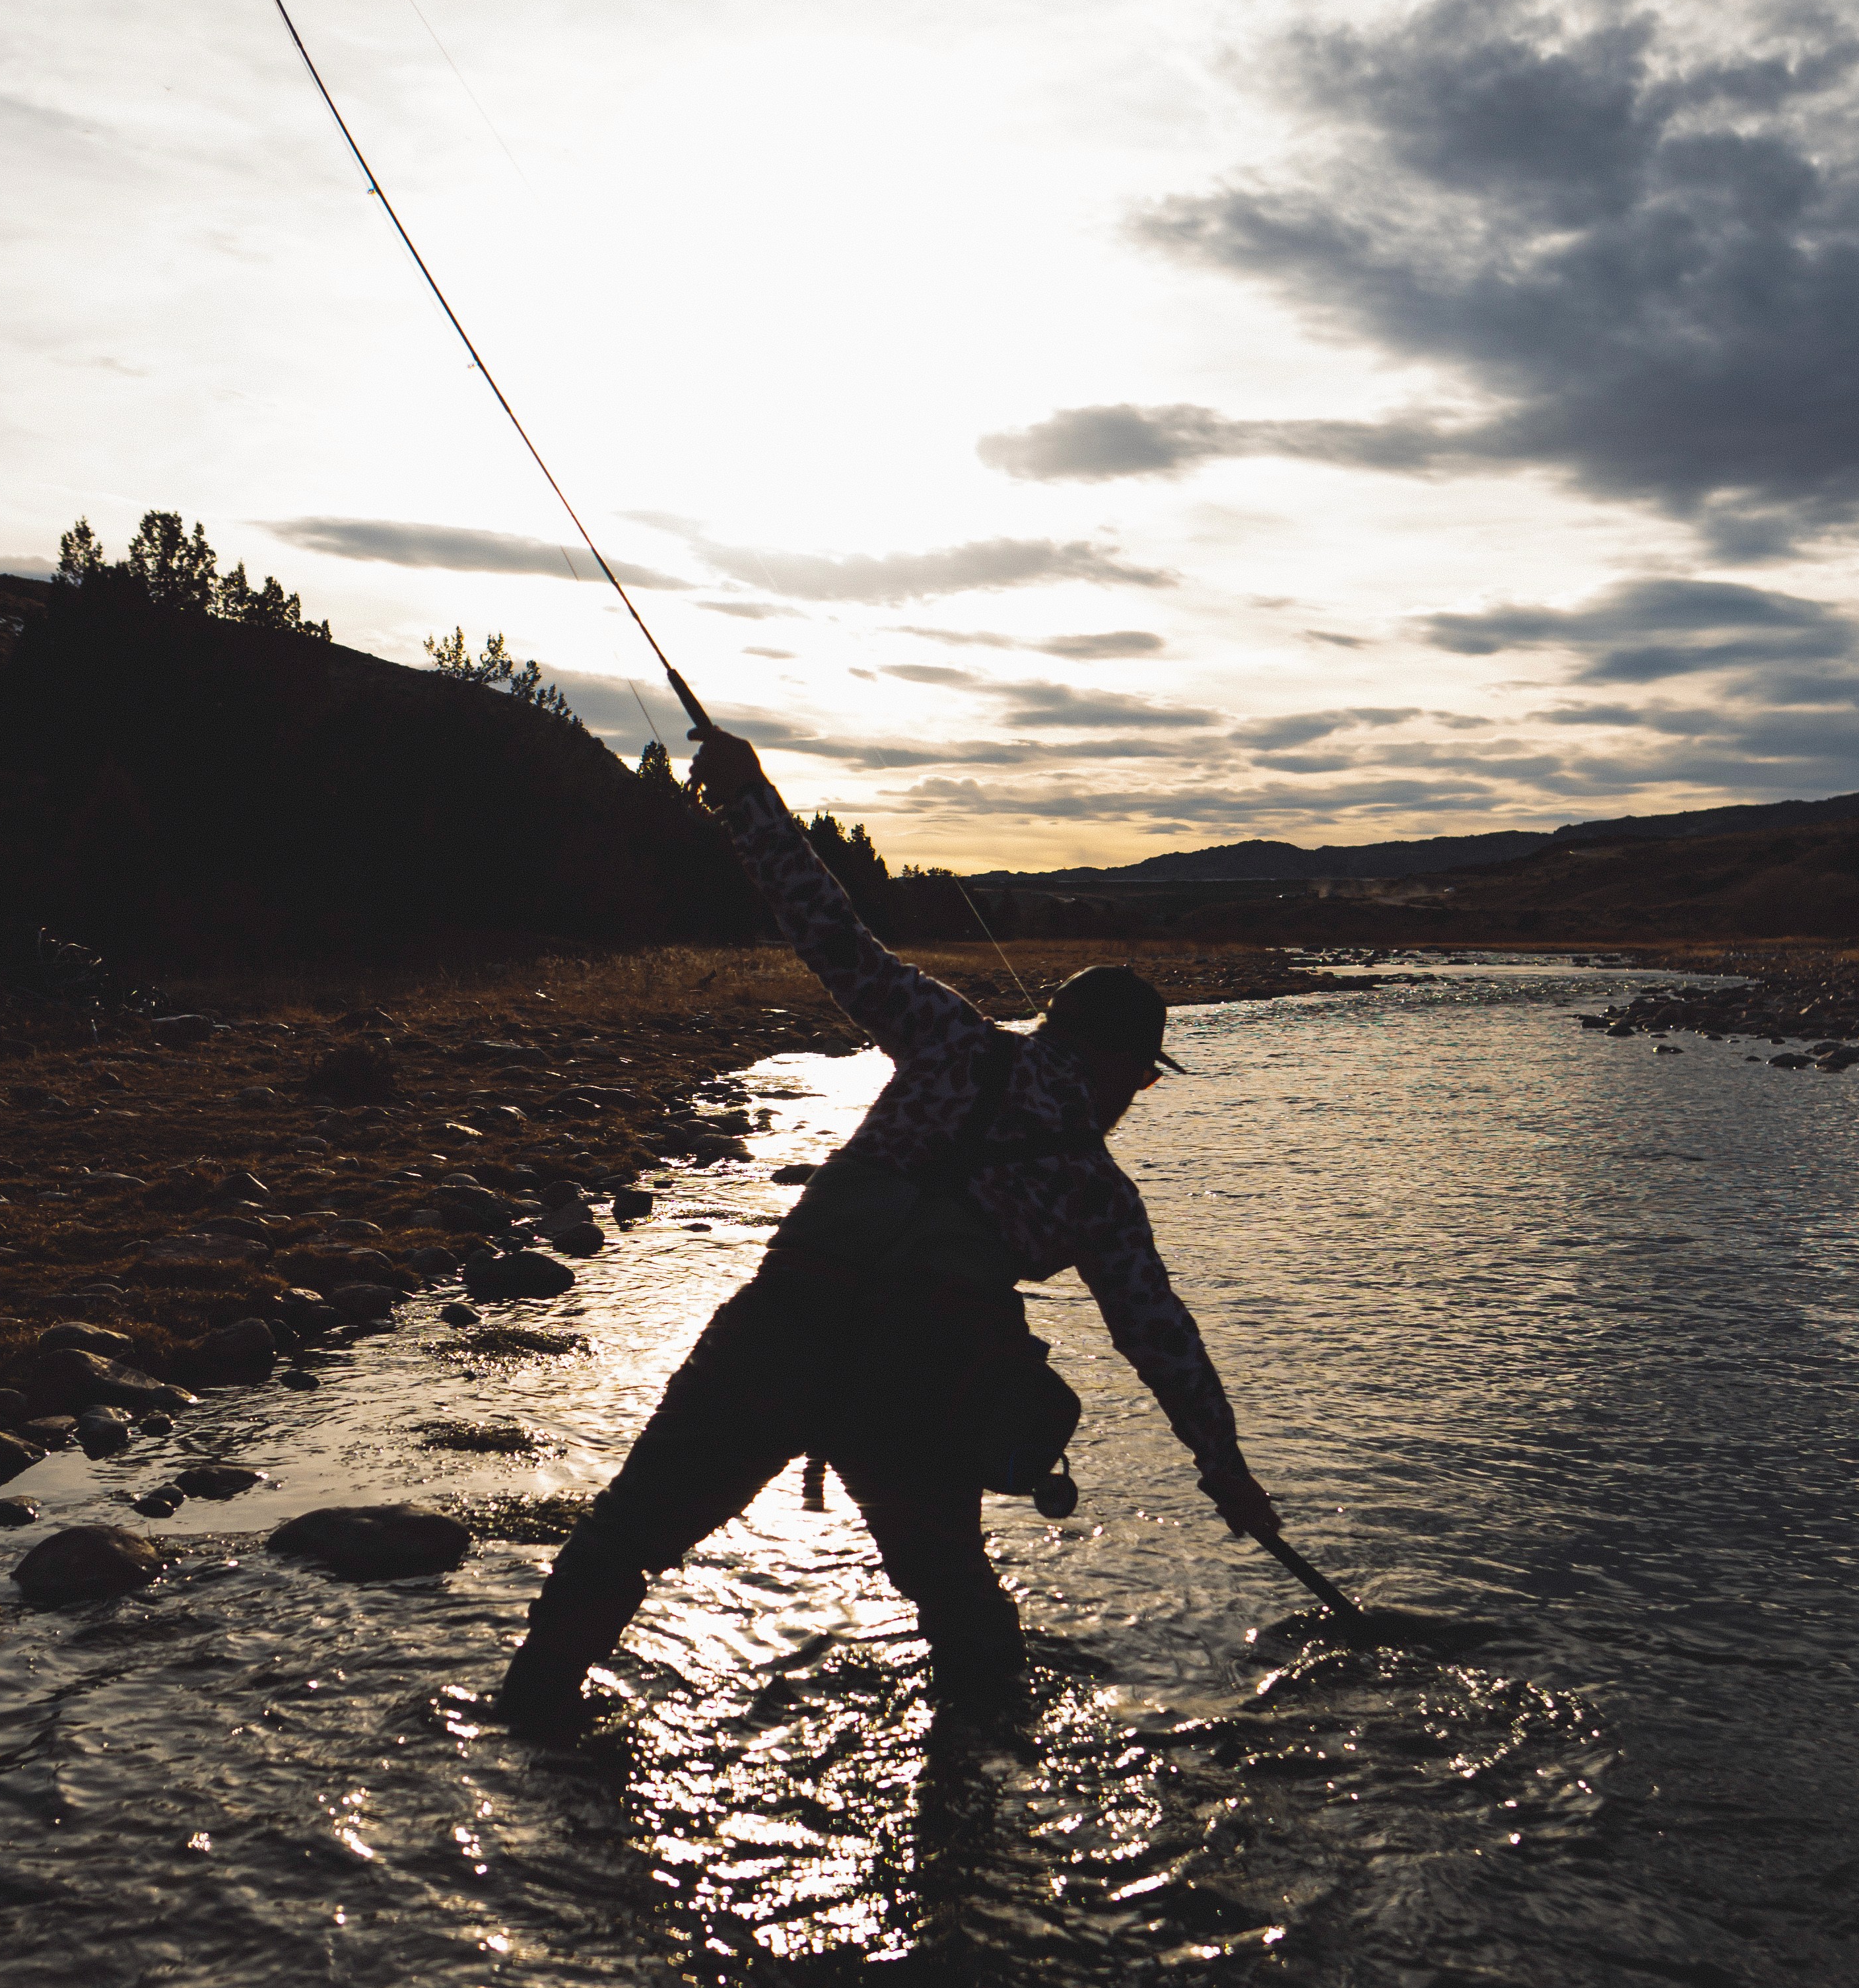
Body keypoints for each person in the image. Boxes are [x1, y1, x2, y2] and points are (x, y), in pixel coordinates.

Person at [495, 727, 1283, 1735]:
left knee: (623, 1542)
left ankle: (526, 1725)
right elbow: (1161, 1341)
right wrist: (1228, 1473)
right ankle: (983, 1812)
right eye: (1140, 1075)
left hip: (777, 1328)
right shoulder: (1096, 1188)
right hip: (918, 1379)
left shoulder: (948, 1034)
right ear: (1115, 1059)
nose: (1137, 1094)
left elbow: (829, 932)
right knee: (960, 1609)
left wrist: (748, 797)